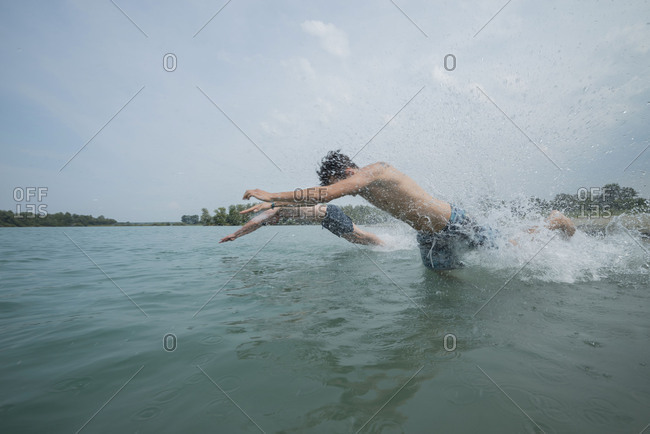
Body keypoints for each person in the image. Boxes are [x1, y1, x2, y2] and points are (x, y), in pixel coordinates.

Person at [241, 150, 576, 270]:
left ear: (346, 172)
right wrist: (277, 205)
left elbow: (324, 193)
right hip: (428, 235)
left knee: (509, 251)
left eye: (335, 181)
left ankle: (552, 224)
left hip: (451, 222)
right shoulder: (360, 185)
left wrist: (273, 194)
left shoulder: (374, 171)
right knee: (441, 281)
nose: (339, 189)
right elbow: (322, 198)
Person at [219, 203, 384, 246]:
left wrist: (235, 234)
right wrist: (237, 236)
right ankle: (381, 245)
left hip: (329, 214)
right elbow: (257, 225)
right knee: (353, 239)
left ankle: (388, 245)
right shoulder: (276, 211)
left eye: (268, 222)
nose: (271, 223)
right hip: (327, 219)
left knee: (359, 235)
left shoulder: (274, 209)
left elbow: (254, 222)